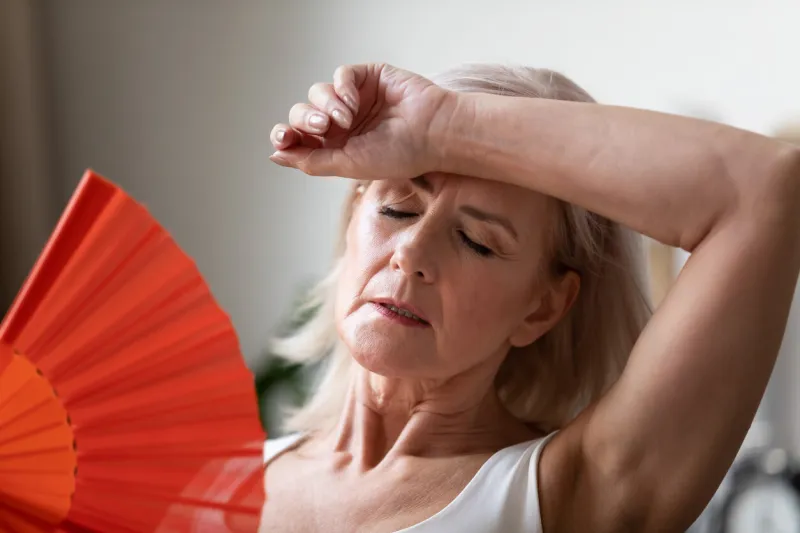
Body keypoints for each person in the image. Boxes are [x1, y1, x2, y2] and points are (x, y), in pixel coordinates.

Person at [261, 63, 800, 532]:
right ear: (353, 215)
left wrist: (443, 125)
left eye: (477, 242)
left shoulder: (569, 498)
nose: (411, 253)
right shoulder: (212, 473)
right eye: (398, 208)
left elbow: (764, 188)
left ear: (542, 307)